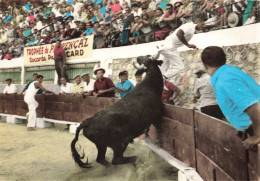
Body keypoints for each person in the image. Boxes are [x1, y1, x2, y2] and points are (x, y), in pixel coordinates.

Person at [200, 46, 260, 150]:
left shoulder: (225, 79)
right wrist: (241, 126)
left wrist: (258, 135)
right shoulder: (229, 72)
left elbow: (253, 107)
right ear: (224, 59)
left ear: (205, 65)